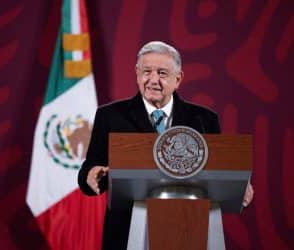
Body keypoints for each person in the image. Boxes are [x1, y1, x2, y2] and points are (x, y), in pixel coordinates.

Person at [78, 41, 254, 250]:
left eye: (162, 73)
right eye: (146, 72)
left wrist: (238, 183)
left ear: (178, 79)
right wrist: (91, 174)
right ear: (137, 73)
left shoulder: (203, 119)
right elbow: (89, 170)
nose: (153, 80)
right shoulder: (110, 116)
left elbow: (218, 168)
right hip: (127, 231)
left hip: (191, 228)